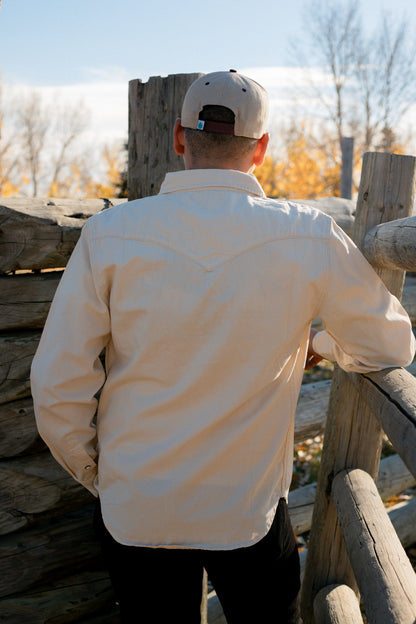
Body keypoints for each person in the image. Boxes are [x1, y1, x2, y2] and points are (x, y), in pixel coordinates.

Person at [30, 70, 415, 624]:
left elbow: (57, 385)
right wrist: (324, 343)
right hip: (247, 509)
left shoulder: (110, 235)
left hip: (138, 505)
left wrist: (104, 477)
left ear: (179, 138)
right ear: (261, 149)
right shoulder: (307, 236)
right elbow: (391, 341)